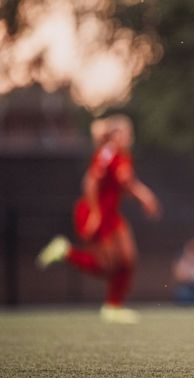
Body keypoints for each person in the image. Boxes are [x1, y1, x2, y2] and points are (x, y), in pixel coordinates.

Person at [36, 114, 160, 324]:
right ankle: (66, 252)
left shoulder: (123, 156)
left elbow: (125, 185)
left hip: (111, 215)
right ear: (114, 135)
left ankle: (113, 307)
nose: (129, 138)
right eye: (126, 133)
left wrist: (144, 197)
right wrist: (95, 212)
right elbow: (90, 182)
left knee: (128, 259)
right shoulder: (107, 152)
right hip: (94, 214)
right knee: (107, 266)